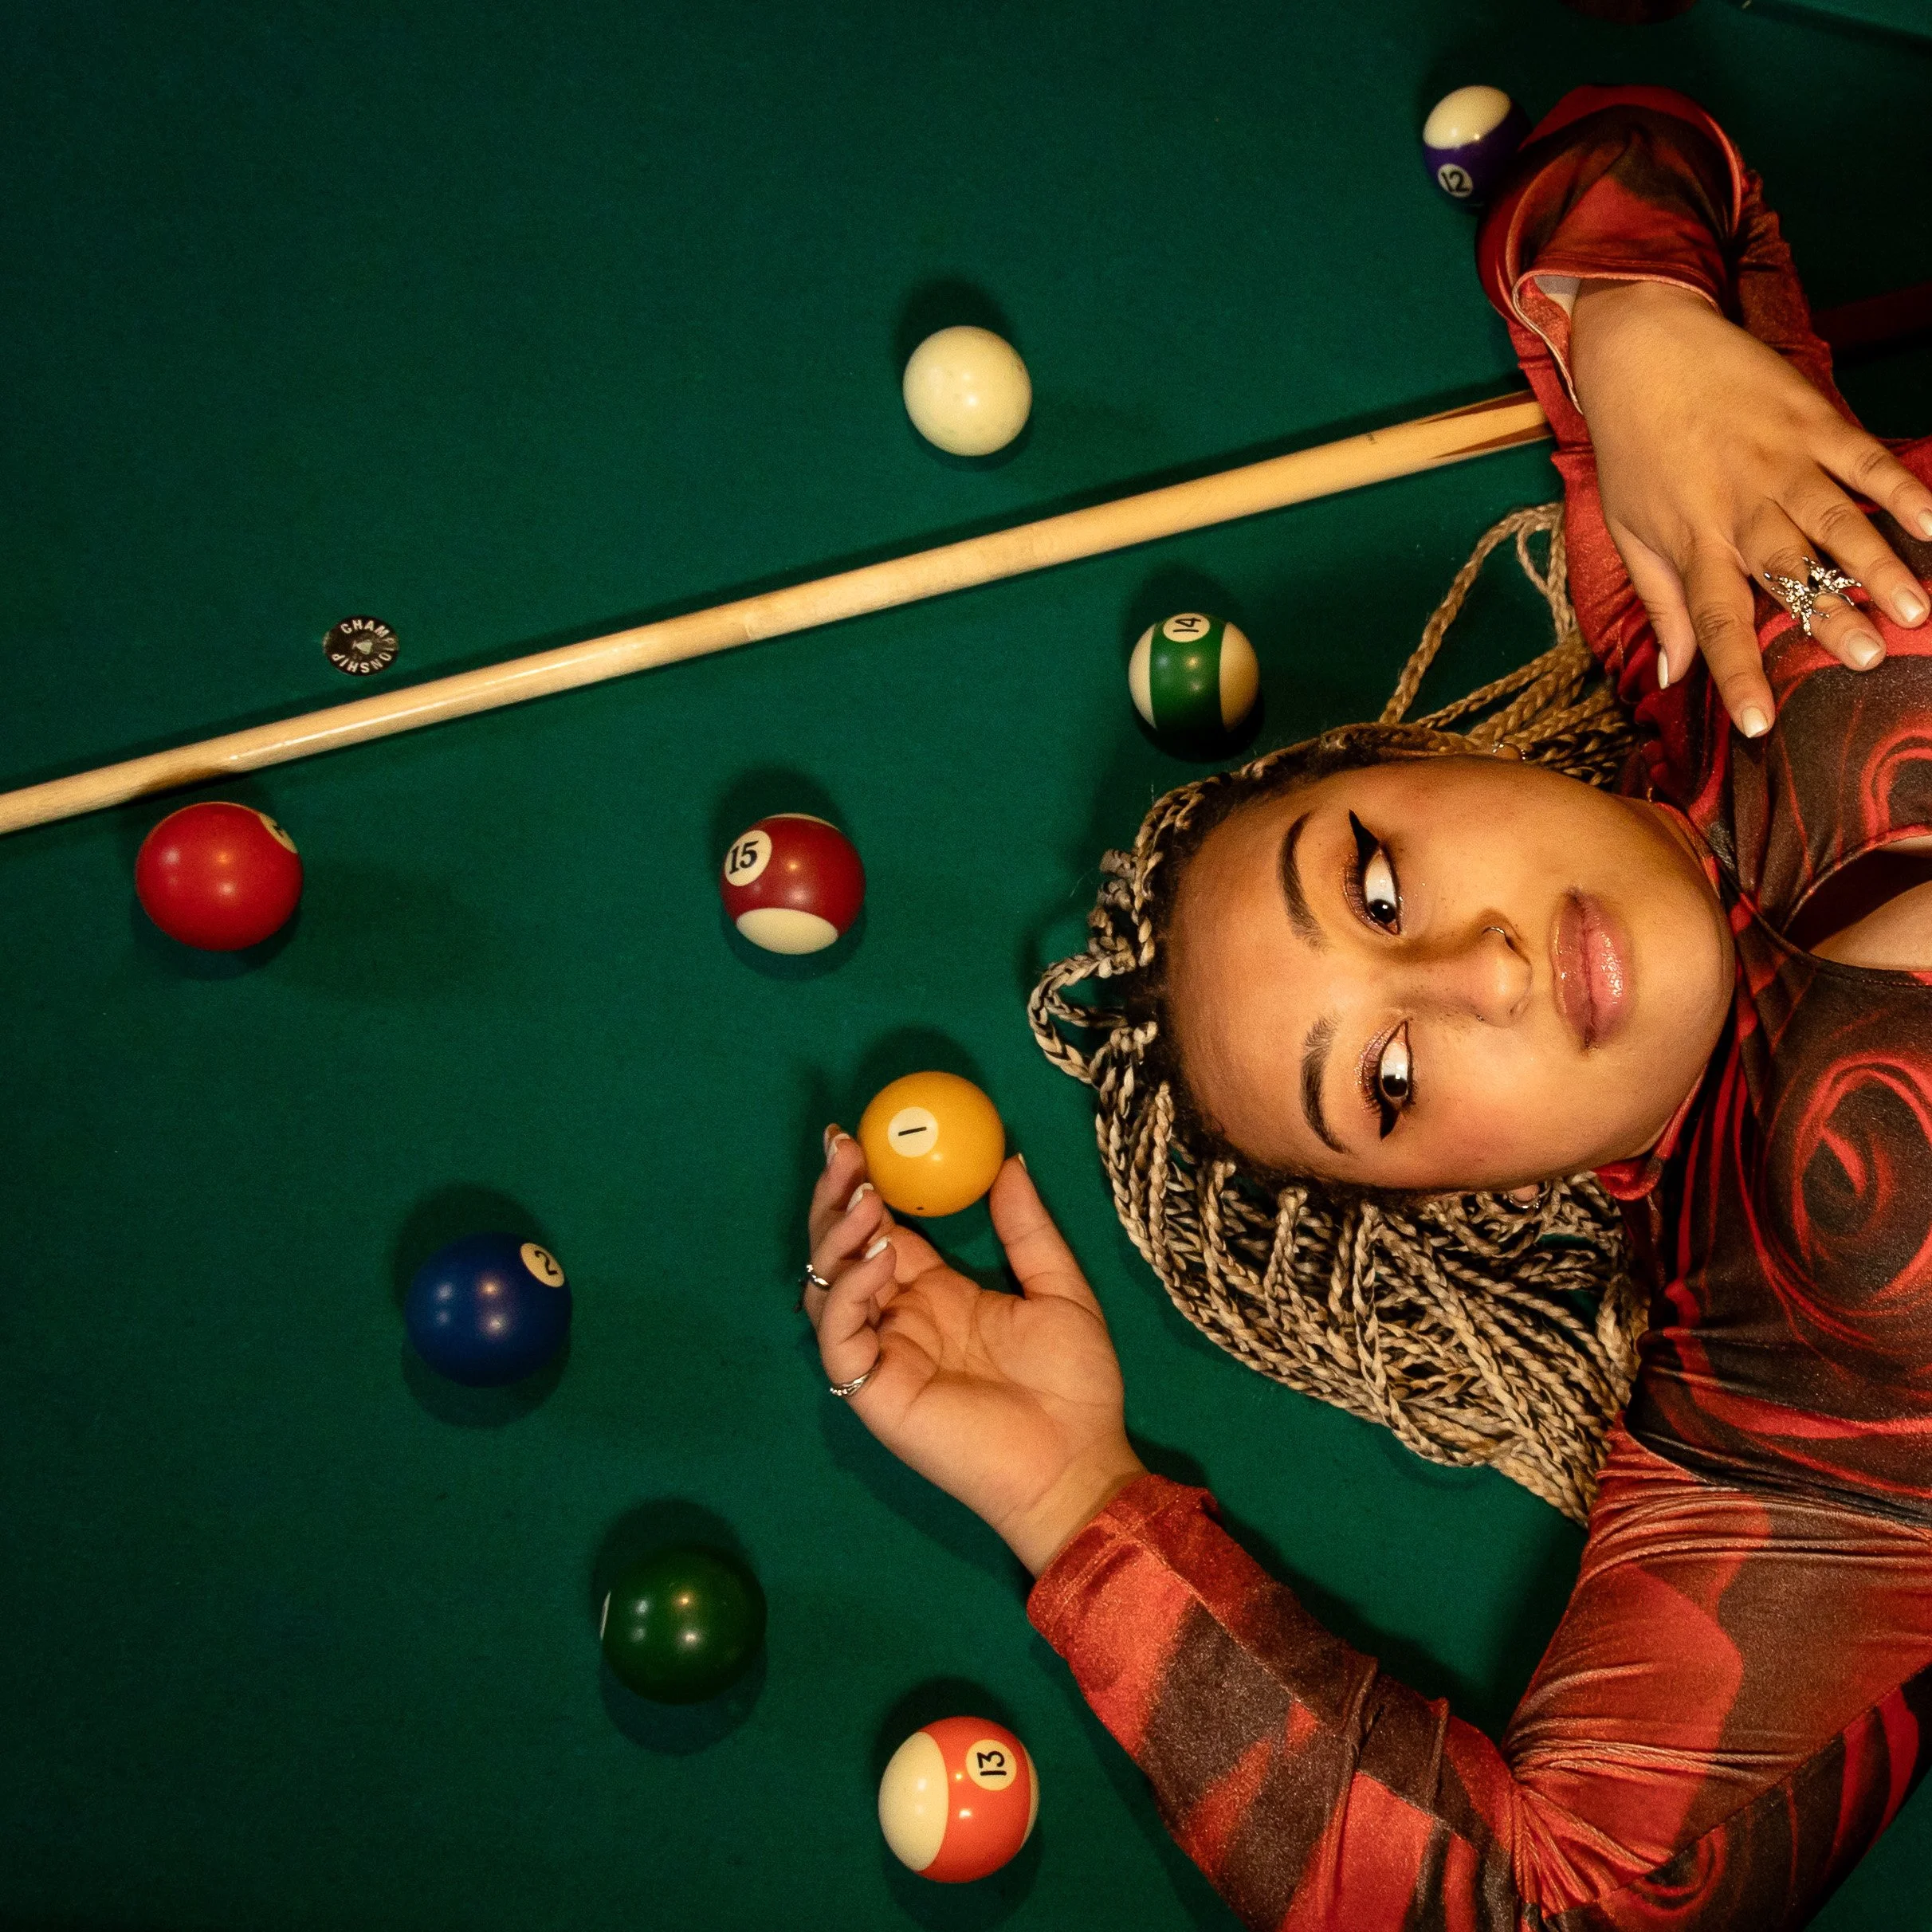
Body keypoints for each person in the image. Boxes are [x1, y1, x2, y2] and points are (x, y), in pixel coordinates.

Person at [802, 85, 1932, 1928]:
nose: (1478, 973)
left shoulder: (1710, 595)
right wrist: (1081, 1509)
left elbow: (1616, 171)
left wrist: (1640, 341)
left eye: (1381, 882)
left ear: (1435, 753)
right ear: (1474, 1196)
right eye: (1389, 1079)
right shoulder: (1781, 1386)